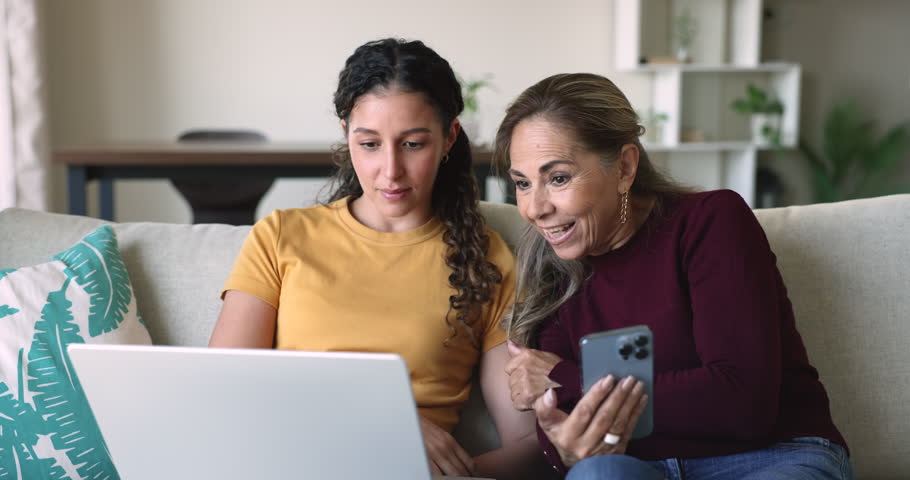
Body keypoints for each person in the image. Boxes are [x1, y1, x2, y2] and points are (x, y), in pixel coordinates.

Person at [209, 38, 545, 479]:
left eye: (412, 145)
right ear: (346, 134)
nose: (390, 171)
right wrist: (385, 420)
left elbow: (526, 443)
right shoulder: (281, 237)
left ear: (449, 138)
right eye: (369, 144)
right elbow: (221, 390)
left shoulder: (487, 259)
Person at [496, 73, 853, 479]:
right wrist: (566, 445)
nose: (535, 208)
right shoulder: (552, 266)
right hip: (636, 466)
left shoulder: (710, 222)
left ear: (625, 167)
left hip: (771, 455)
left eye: (558, 178)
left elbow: (741, 400)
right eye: (522, 184)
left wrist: (563, 378)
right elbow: (564, 435)